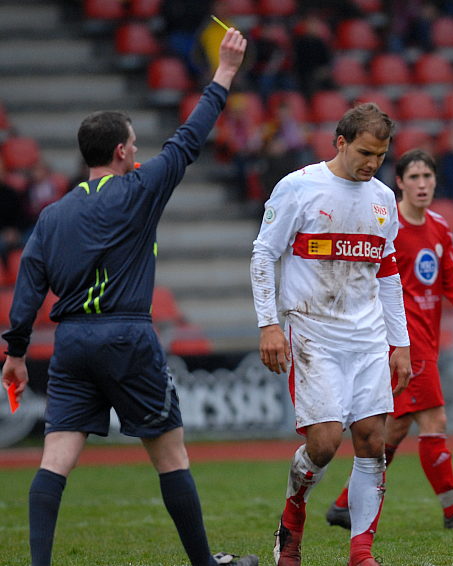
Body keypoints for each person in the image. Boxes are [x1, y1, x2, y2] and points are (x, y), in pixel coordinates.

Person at [1, 28, 257, 566]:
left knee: (55, 459)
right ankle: (205, 564)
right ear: (121, 151)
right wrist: (225, 74)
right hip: (126, 335)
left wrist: (17, 353)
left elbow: (28, 287)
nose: (139, 150)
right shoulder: (139, 188)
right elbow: (189, 140)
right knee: (170, 454)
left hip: (69, 343)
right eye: (135, 144)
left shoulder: (52, 216)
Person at [250, 103, 412, 566]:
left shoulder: (382, 199)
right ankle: (293, 515)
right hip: (313, 332)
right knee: (323, 444)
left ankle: (361, 552)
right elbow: (264, 254)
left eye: (380, 156)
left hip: (367, 338)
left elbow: (387, 272)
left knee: (371, 440)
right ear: (339, 142)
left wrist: (399, 343)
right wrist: (268, 324)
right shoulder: (299, 188)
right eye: (364, 152)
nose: (371, 163)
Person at [325, 149, 453, 532]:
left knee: (395, 429)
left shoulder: (438, 227)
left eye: (427, 177)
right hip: (401, 341)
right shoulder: (388, 225)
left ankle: (342, 505)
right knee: (435, 418)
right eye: (413, 177)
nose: (422, 184)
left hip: (426, 340)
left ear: (435, 181)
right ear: (399, 182)